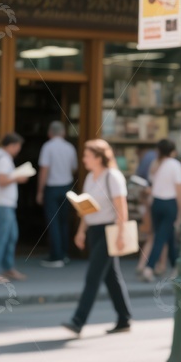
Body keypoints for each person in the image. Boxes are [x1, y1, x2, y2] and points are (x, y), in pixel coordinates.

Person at [63, 139, 133, 335]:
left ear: (97, 157)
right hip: (94, 230)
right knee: (111, 277)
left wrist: (120, 235)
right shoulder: (90, 178)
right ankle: (124, 318)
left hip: (109, 231)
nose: (84, 159)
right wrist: (81, 231)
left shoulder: (113, 177)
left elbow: (121, 210)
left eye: (87, 155)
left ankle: (78, 320)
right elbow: (86, 207)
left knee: (93, 276)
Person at [0, 133, 29, 282]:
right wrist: (18, 177)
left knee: (10, 236)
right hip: (2, 202)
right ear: (12, 145)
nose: (18, 150)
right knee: (2, 237)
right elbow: (2, 180)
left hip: (2, 202)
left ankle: (7, 267)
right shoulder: (4, 159)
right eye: (18, 147)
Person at [36, 121, 78, 268]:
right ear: (64, 133)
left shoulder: (48, 147)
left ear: (49, 133)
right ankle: (64, 254)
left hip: (52, 187)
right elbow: (74, 168)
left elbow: (44, 170)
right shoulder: (70, 147)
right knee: (64, 221)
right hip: (67, 187)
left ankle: (56, 256)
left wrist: (40, 191)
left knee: (53, 222)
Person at [140, 139, 181, 282]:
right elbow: (179, 190)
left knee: (168, 236)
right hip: (169, 203)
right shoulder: (174, 165)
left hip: (156, 203)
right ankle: (149, 267)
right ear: (172, 151)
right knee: (161, 237)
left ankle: (176, 265)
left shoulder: (155, 164)